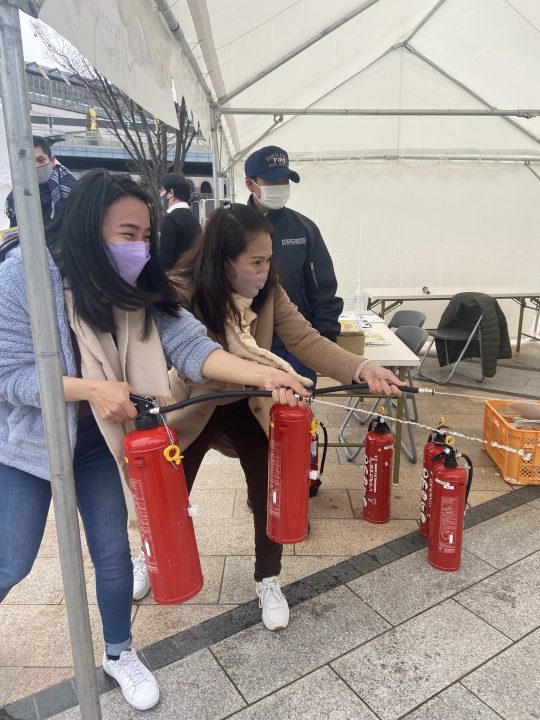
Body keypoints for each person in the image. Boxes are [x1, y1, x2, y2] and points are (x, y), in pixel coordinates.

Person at [0, 171, 308, 712]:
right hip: (29, 444)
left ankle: (119, 653)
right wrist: (89, 388)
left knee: (115, 554)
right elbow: (9, 378)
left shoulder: (140, 288)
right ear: (85, 229)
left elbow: (192, 347)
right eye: (126, 233)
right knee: (14, 559)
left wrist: (266, 375)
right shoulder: (23, 281)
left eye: (145, 235)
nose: (139, 248)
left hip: (102, 442)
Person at [134, 203, 403, 631]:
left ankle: (268, 578)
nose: (264, 270)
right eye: (254, 262)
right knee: (167, 492)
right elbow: (189, 356)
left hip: (250, 402)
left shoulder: (268, 290)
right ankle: (146, 556)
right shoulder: (180, 289)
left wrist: (360, 368)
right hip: (195, 405)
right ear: (223, 261)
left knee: (269, 490)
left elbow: (306, 339)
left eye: (268, 259)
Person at [245, 145, 343, 387]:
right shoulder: (233, 228)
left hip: (296, 344)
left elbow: (324, 287)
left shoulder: (304, 228)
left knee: (295, 417)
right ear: (250, 185)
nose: (280, 186)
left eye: (284, 180)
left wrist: (325, 335)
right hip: (246, 344)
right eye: (271, 181)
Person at [4, 135, 77, 229]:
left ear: (52, 161)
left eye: (41, 160)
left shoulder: (73, 190)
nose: (36, 166)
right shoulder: (16, 197)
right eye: (29, 163)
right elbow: (15, 234)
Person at [158, 173, 201, 270]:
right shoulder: (194, 221)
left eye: (162, 191)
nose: (161, 195)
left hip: (174, 281)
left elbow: (164, 260)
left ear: (171, 193)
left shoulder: (170, 220)